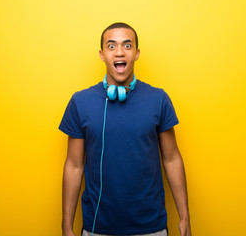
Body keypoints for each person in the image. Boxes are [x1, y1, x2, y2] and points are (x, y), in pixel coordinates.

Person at [60, 22, 192, 236]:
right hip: (97, 228)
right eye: (111, 46)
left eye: (127, 46)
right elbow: (74, 165)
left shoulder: (159, 99)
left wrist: (185, 217)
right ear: (102, 55)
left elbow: (172, 158)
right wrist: (66, 226)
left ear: (136, 53)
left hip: (151, 227)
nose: (119, 52)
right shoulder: (80, 102)